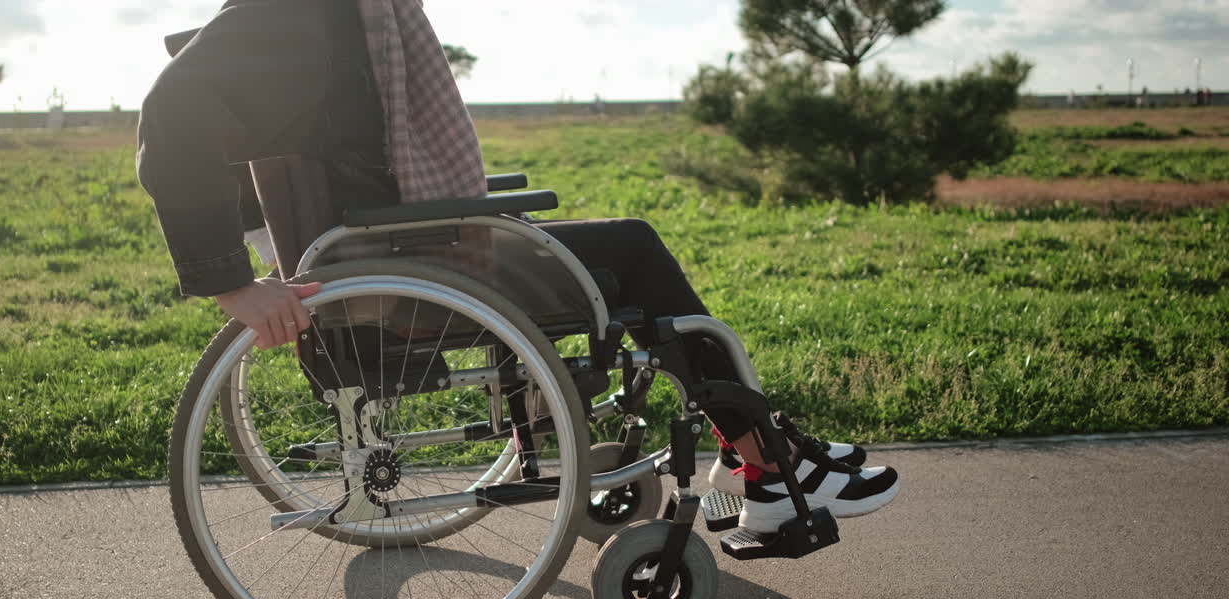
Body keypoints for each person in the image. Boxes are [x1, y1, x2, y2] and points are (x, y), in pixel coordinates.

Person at [136, 0, 899, 533]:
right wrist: (233, 282)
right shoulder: (304, 16)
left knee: (611, 243)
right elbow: (174, 112)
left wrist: (268, 245)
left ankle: (753, 453)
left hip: (395, 257)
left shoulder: (315, 18)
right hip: (407, 274)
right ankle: (768, 468)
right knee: (633, 249)